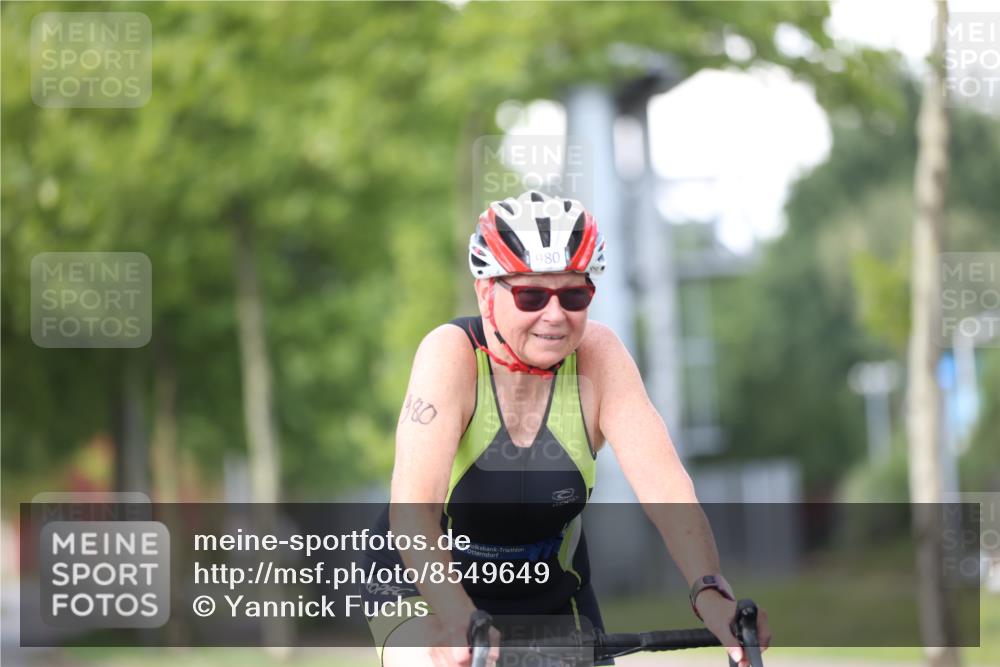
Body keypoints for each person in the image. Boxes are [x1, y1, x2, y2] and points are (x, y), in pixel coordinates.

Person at [359, 190, 770, 667]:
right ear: (485, 291)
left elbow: (666, 487)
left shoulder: (600, 356)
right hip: (425, 587)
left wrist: (710, 592)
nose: (555, 315)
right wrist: (454, 616)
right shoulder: (449, 355)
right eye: (531, 294)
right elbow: (412, 510)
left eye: (574, 294)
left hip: (551, 592)